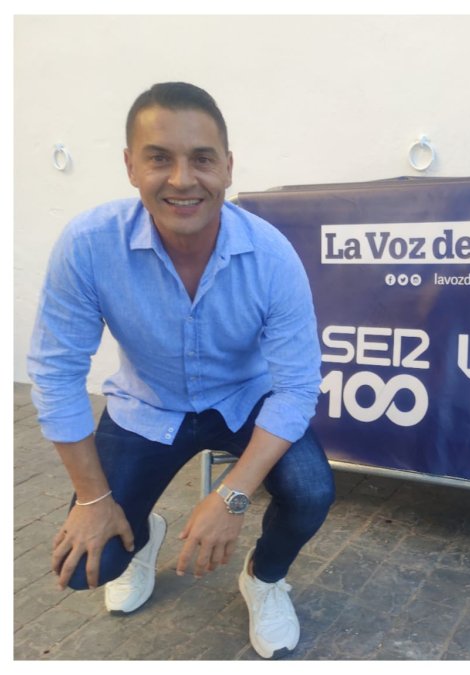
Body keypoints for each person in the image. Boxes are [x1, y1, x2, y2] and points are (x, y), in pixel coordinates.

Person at [27, 82, 335, 659]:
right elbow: (55, 371)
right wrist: (93, 501)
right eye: (159, 158)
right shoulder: (90, 245)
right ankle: (142, 536)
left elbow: (295, 388)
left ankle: (264, 579)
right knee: (90, 564)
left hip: (246, 401)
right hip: (148, 404)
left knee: (313, 489)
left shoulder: (271, 257)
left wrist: (233, 497)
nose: (182, 179)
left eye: (201, 159)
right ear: (129, 166)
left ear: (227, 167)